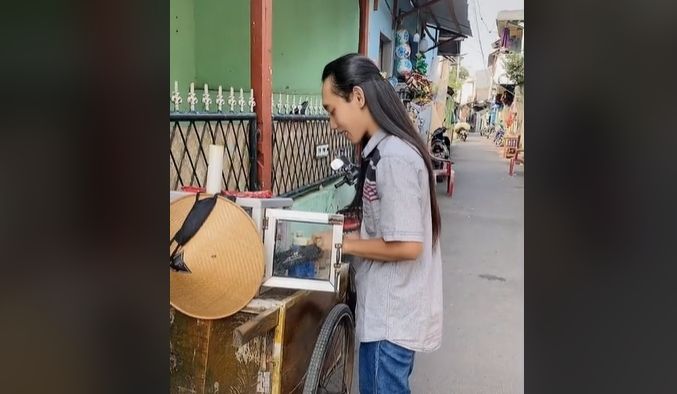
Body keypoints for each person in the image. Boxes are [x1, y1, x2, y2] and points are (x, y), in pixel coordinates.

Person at [312, 53, 443, 394]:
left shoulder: (395, 158)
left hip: (390, 320)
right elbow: (386, 227)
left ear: (357, 97)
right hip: (388, 317)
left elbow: (407, 245)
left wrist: (342, 244)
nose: (332, 123)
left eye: (331, 110)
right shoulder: (383, 152)